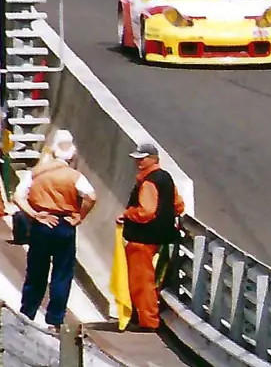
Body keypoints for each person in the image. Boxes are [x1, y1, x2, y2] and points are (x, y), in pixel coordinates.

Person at [13, 129, 97, 330]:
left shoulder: (36, 173)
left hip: (41, 224)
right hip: (65, 225)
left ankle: (27, 313)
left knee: (36, 271)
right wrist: (79, 216)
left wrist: (34, 214)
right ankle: (55, 320)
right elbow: (91, 197)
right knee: (62, 273)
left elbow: (17, 197)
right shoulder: (75, 176)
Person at [117, 142, 185, 332]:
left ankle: (147, 322)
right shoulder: (166, 178)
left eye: (142, 158)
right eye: (137, 159)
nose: (138, 162)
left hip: (142, 240)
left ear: (154, 158)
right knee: (151, 280)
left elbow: (146, 212)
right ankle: (147, 316)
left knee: (141, 282)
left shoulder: (148, 182)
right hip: (162, 238)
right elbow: (179, 205)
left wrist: (128, 213)